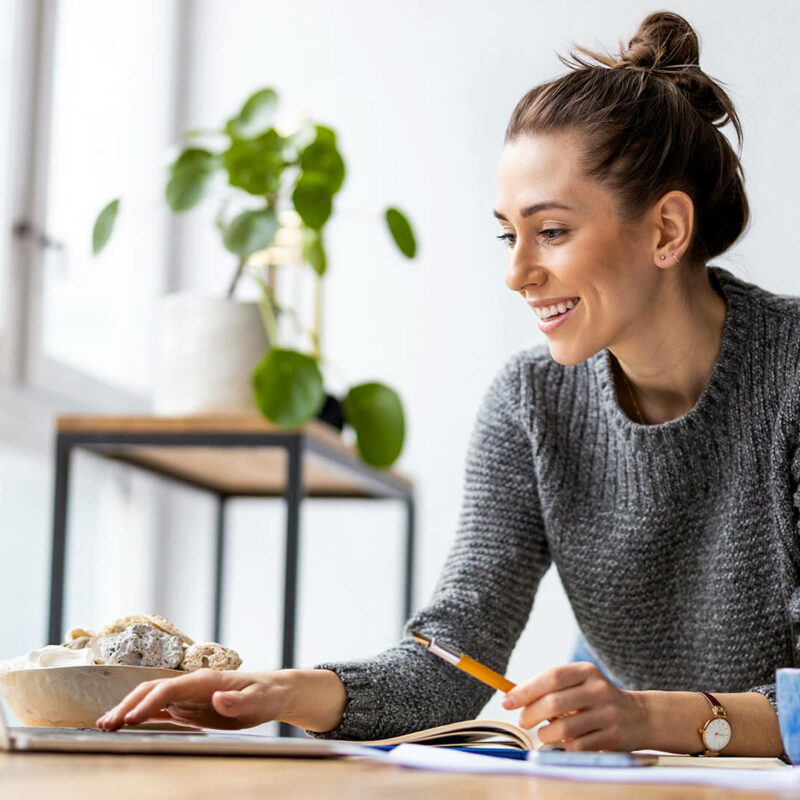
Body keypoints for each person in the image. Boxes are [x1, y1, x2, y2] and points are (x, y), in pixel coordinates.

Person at [98, 12, 797, 758]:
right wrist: (287, 692)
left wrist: (652, 719)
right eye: (508, 234)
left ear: (665, 230)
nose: (517, 272)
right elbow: (453, 658)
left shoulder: (789, 376)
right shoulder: (530, 403)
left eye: (551, 231)